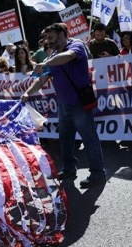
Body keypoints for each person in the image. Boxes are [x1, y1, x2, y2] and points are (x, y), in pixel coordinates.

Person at [21, 23, 106, 188]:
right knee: (65, 140)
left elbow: (68, 56)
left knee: (90, 140)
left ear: (62, 34)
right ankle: (69, 169)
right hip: (63, 105)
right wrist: (27, 93)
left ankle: (98, 174)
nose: (48, 41)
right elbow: (42, 79)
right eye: (46, 38)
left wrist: (45, 64)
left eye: (51, 37)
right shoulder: (52, 56)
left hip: (79, 105)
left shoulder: (76, 45)